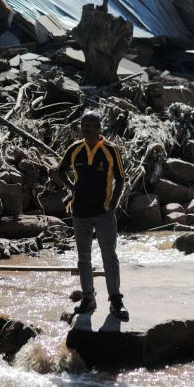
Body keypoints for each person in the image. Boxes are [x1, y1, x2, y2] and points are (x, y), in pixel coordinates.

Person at [55, 111, 129, 320]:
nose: (85, 128)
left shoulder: (110, 150)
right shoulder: (75, 149)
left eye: (90, 125)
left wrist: (113, 204)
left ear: (99, 128)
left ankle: (116, 300)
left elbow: (121, 179)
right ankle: (88, 298)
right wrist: (72, 188)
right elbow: (59, 171)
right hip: (79, 213)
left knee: (110, 257)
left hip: (103, 213)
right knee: (83, 259)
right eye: (83, 124)